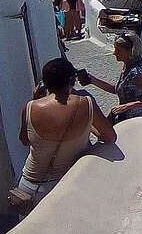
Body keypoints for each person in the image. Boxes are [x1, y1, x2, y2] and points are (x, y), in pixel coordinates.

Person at [14, 58, 116, 213]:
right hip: (64, 185)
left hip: (28, 186)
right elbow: (109, 137)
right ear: (72, 80)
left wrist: (36, 99)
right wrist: (88, 127)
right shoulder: (85, 103)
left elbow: (24, 140)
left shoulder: (30, 107)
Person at [81, 32, 142, 123]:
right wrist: (92, 80)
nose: (114, 53)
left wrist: (126, 106)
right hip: (124, 117)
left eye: (118, 50)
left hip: (136, 121)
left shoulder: (137, 73)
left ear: (130, 51)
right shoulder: (127, 66)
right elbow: (118, 89)